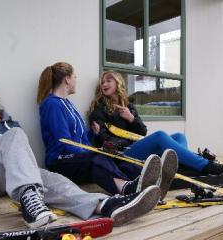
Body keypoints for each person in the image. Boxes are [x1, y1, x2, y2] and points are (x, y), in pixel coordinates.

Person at [0, 74, 162, 229]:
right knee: (16, 135)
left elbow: (22, 161)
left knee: (53, 178)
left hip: (8, 180)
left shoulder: (12, 124)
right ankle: (29, 201)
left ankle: (103, 205)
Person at [36, 62, 178, 200]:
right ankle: (127, 188)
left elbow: (79, 138)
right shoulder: (52, 104)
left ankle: (151, 185)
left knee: (116, 159)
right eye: (74, 77)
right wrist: (93, 151)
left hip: (75, 157)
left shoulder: (67, 104)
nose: (76, 80)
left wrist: (92, 133)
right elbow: (63, 143)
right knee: (97, 158)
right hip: (59, 161)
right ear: (67, 79)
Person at [88, 70, 223, 175]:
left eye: (109, 80)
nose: (104, 84)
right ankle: (208, 166)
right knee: (160, 136)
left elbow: (142, 131)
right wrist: (127, 140)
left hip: (137, 149)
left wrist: (131, 118)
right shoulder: (98, 111)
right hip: (122, 157)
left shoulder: (128, 107)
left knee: (179, 136)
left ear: (118, 84)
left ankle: (185, 167)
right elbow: (105, 141)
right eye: (102, 82)